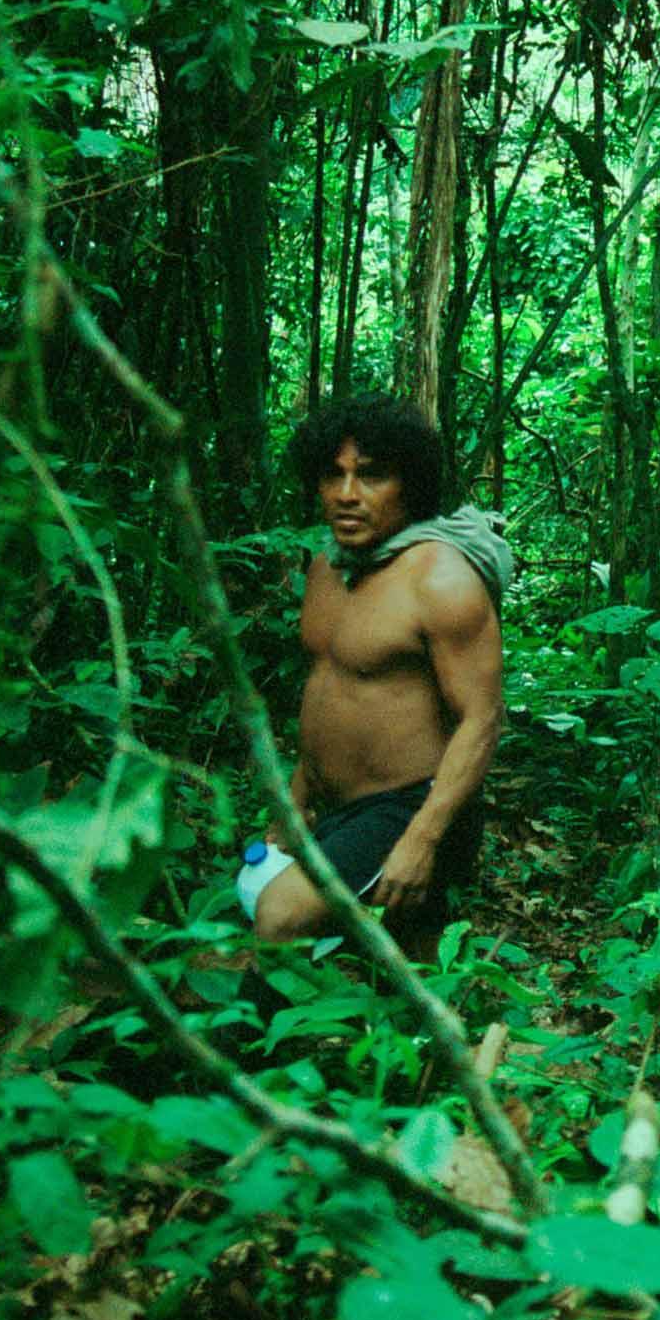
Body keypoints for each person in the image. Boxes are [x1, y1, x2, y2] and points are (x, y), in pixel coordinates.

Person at [240, 395, 515, 946]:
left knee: (278, 917)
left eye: (371, 477)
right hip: (337, 806)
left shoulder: (439, 578)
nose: (347, 495)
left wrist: (422, 838)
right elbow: (331, 688)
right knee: (241, 904)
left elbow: (483, 719)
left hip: (410, 804)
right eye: (333, 475)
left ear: (409, 485)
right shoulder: (327, 568)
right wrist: (296, 801)